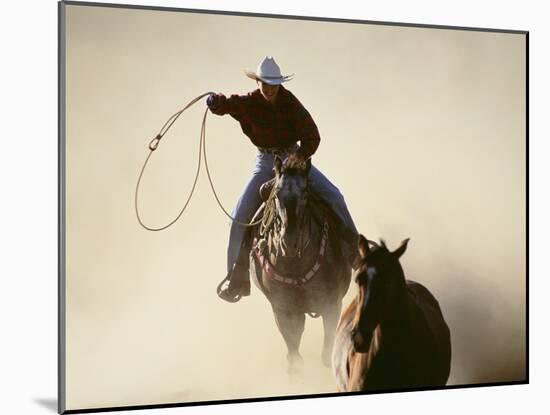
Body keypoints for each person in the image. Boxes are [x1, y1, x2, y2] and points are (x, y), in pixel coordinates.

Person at [207, 56, 358, 302]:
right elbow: (227, 105)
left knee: (334, 195)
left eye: (273, 84)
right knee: (239, 217)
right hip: (265, 163)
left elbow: (313, 136)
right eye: (265, 84)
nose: (269, 89)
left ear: (279, 84)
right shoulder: (249, 103)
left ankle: (355, 252)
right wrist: (214, 103)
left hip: (291, 158)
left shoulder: (290, 104)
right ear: (258, 83)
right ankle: (236, 278)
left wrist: (299, 155)